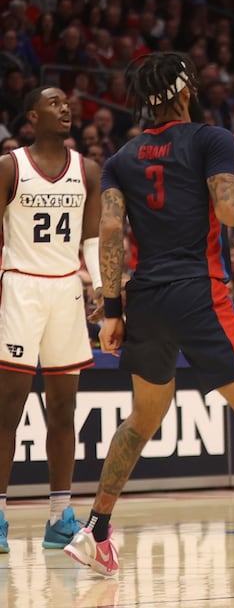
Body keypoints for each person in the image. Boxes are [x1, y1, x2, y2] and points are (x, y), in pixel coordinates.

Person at [70, 54, 234, 585]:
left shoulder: (122, 157)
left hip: (145, 299)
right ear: (185, 89)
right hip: (199, 292)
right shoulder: (211, 139)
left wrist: (113, 311)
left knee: (143, 417)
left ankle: (96, 529)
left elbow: (113, 234)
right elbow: (233, 210)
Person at [0, 87, 100, 553]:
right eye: (55, 104)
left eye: (68, 104)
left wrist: (101, 288)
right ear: (32, 116)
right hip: (19, 286)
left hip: (65, 290)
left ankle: (59, 516)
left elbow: (93, 239)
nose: (66, 110)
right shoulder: (9, 167)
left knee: (63, 410)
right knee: (8, 408)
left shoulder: (88, 170)